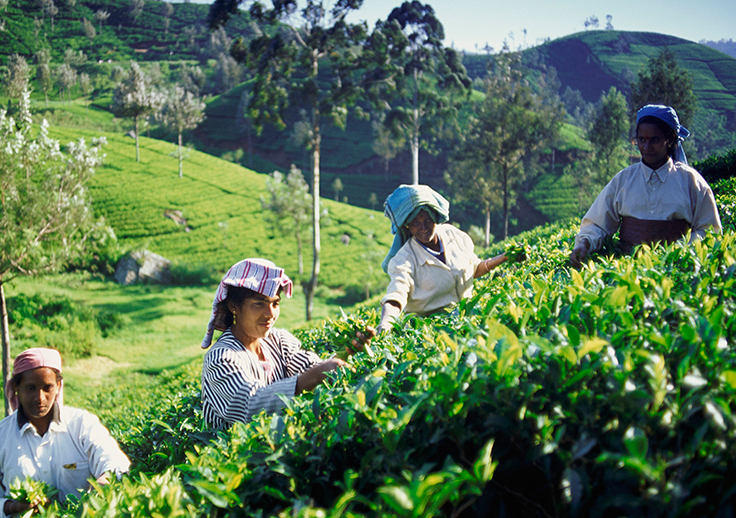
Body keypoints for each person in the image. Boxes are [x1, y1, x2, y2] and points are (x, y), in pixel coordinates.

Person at [201, 258, 372, 430]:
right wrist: (314, 376)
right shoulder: (221, 358)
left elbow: (311, 368)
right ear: (233, 306)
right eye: (259, 304)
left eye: (275, 303)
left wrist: (346, 352)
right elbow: (248, 405)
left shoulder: (279, 341)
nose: (270, 314)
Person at [0, 348, 130, 518]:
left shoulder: (82, 424)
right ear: (16, 387)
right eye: (30, 388)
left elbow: (116, 464)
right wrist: (13, 507)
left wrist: (102, 484)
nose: (40, 398)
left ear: (58, 386)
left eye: (48, 388)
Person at [570, 104, 722, 268]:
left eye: (655, 140)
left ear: (669, 140)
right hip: (627, 269)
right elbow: (598, 223)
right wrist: (585, 243)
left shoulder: (691, 181)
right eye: (641, 140)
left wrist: (680, 253)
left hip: (674, 269)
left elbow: (708, 230)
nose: (646, 147)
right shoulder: (623, 180)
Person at [378, 184, 515, 332]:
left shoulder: (453, 236)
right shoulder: (404, 260)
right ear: (407, 226)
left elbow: (474, 268)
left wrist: (504, 257)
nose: (423, 228)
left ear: (435, 218)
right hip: (431, 332)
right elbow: (396, 295)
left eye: (427, 220)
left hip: (467, 320)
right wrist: (385, 324)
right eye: (416, 223)